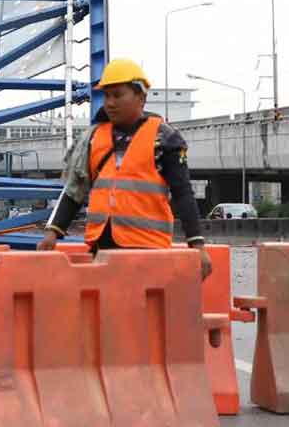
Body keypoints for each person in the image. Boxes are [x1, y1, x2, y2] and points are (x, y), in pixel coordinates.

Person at [35, 58, 209, 279]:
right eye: (107, 96)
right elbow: (74, 191)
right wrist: (53, 231)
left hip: (148, 249)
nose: (110, 103)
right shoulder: (94, 137)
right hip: (102, 246)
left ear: (141, 97)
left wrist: (197, 244)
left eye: (118, 95)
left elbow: (183, 193)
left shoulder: (164, 138)